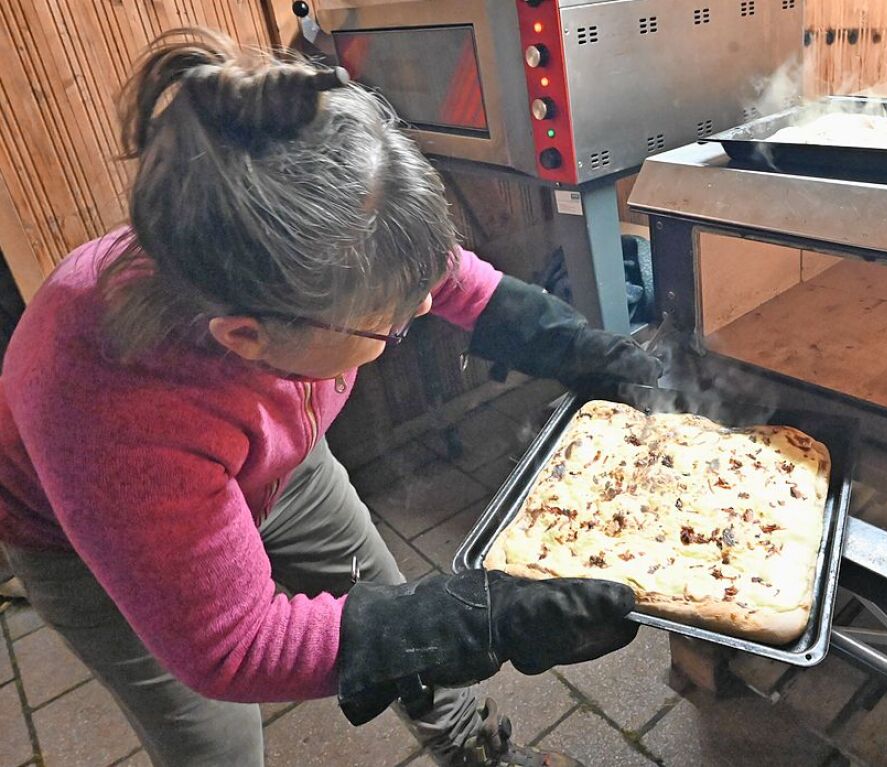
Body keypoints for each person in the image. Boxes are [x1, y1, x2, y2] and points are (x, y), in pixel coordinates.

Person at [0, 28, 662, 767]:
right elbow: (234, 645)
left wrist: (581, 348)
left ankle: (474, 749)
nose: (419, 314)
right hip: (86, 538)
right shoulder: (109, 408)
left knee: (393, 605)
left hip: (277, 453)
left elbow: (442, 277)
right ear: (249, 336)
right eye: (392, 322)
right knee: (213, 736)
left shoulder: (320, 235)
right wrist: (486, 624)